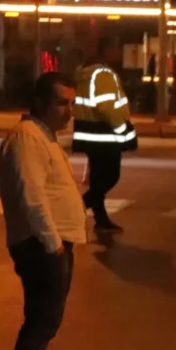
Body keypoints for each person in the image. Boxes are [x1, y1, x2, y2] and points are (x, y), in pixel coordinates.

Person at [0, 72, 88, 350]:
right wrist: (53, 246)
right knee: (39, 324)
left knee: (46, 323)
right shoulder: (27, 140)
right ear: (39, 103)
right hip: (41, 246)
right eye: (60, 103)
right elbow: (32, 197)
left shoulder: (43, 137)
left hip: (52, 243)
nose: (68, 111)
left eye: (71, 103)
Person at [71, 56, 137, 235]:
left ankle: (101, 220)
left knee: (98, 179)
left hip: (91, 134)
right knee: (110, 177)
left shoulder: (86, 75)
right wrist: (121, 128)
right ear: (107, 51)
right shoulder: (103, 74)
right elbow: (105, 107)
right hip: (106, 135)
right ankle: (75, 211)